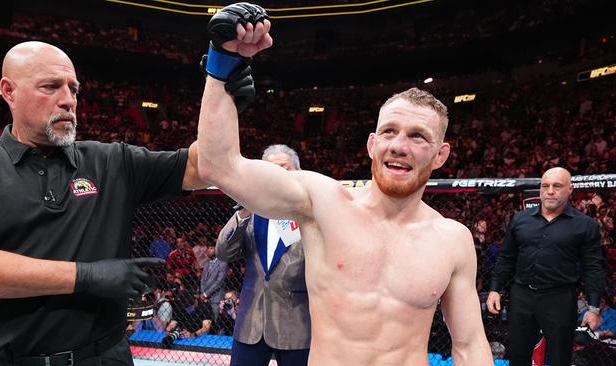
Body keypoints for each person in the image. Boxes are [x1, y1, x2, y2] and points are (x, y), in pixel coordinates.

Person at [196, 4, 493, 365]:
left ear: (441, 154)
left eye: (418, 136)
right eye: (389, 132)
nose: (399, 145)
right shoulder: (321, 202)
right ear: (372, 144)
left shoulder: (453, 239)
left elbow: (470, 346)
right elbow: (218, 166)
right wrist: (221, 65)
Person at [0, 40, 253, 365]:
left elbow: (202, 167)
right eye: (51, 86)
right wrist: (86, 276)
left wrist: (223, 98)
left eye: (74, 89)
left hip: (102, 357)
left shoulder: (111, 161)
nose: (68, 100)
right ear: (8, 91)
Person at [486, 167, 605, 366]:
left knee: (560, 357)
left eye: (557, 186)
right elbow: (505, 257)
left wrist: (593, 308)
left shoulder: (585, 225)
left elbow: (592, 268)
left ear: (570, 189)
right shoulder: (520, 219)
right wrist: (494, 289)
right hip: (522, 296)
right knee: (517, 355)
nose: (550, 191)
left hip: (559, 299)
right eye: (545, 186)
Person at [215, 144, 311, 366]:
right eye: (269, 171)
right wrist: (247, 207)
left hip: (296, 326)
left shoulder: (311, 215)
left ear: (298, 172)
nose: (276, 176)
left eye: (283, 169)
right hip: (251, 323)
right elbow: (223, 251)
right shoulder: (250, 213)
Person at [200, 242, 229, 319]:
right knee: (205, 320)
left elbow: (219, 282)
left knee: (215, 320)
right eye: (208, 248)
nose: (208, 250)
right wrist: (203, 293)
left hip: (216, 298)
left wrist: (206, 294)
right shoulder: (206, 263)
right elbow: (202, 280)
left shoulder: (223, 263)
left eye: (211, 248)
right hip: (205, 298)